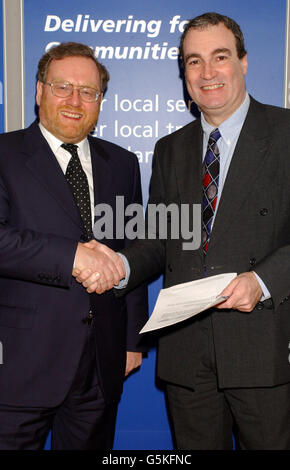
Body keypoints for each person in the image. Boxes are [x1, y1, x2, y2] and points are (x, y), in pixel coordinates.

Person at [76, 13, 290, 450]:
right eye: (194, 61)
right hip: (187, 359)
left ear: (244, 62)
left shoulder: (289, 134)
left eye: (220, 57)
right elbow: (160, 238)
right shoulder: (170, 148)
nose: (208, 73)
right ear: (184, 72)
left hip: (264, 353)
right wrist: (119, 263)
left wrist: (263, 280)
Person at [0, 42, 147, 450]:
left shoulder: (122, 163)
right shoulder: (4, 154)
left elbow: (131, 249)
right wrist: (71, 256)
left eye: (88, 92)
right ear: (39, 91)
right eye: (63, 87)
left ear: (100, 101)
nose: (75, 101)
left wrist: (132, 338)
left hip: (99, 367)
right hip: (18, 364)